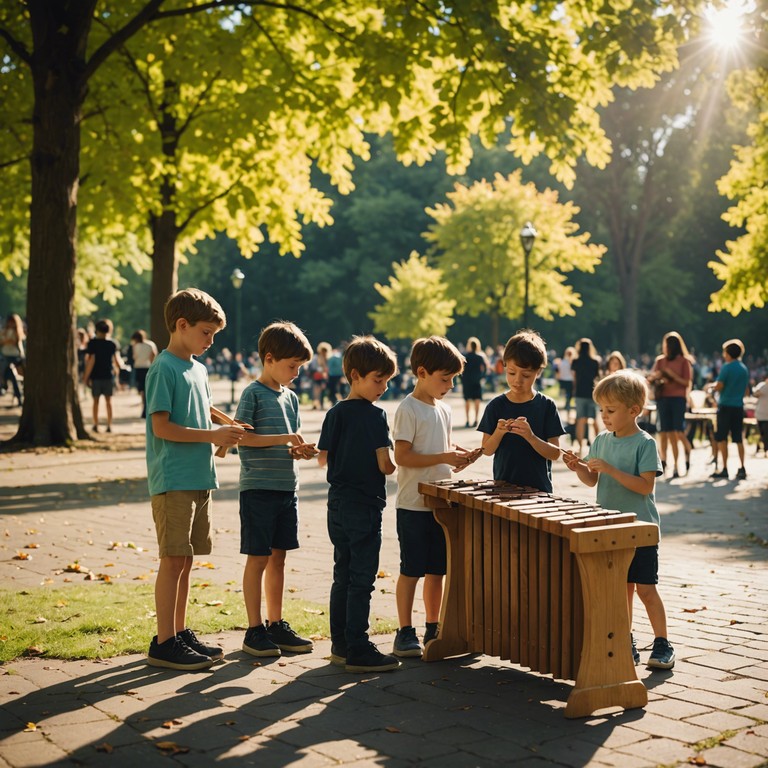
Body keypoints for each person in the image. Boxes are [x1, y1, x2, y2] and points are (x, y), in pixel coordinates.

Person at [145, 288, 247, 670]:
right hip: (172, 478)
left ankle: (179, 631)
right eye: (206, 332)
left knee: (186, 560)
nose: (211, 341)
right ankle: (164, 641)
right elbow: (163, 426)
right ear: (181, 325)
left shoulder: (198, 368)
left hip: (199, 475)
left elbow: (201, 405)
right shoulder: (163, 367)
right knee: (172, 560)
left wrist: (227, 423)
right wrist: (213, 436)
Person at [562, 370, 675, 670]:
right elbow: (590, 480)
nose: (604, 417)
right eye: (601, 410)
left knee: (645, 588)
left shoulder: (645, 443)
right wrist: (577, 467)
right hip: (611, 527)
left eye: (610, 411)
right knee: (621, 589)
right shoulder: (600, 440)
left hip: (641, 530)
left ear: (633, 410)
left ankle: (663, 643)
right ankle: (626, 639)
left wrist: (611, 470)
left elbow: (645, 486)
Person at [317, 336, 400, 673]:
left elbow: (323, 458)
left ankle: (340, 642)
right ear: (354, 375)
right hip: (365, 504)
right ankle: (358, 646)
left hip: (336, 503)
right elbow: (385, 465)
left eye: (387, 381)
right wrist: (397, 459)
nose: (382, 387)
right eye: (377, 380)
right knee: (362, 578)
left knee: (343, 572)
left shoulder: (334, 413)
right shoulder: (376, 417)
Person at [236, 321, 317, 658]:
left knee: (279, 559)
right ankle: (253, 629)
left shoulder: (292, 398)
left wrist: (299, 450)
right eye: (292, 366)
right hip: (258, 489)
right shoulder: (252, 394)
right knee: (258, 559)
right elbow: (243, 439)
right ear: (269, 359)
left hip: (287, 488)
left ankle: (275, 623)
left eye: (299, 367)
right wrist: (284, 439)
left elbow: (288, 443)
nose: (296, 373)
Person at [392, 336, 476, 658]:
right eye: (445, 379)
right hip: (413, 504)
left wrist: (460, 455)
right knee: (411, 569)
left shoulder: (445, 410)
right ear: (422, 372)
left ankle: (432, 625)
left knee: (437, 570)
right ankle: (404, 630)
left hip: (442, 504)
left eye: (453, 379)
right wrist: (443, 455)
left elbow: (446, 448)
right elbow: (403, 456)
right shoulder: (408, 408)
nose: (450, 385)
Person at [478, 330, 565, 493]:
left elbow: (555, 453)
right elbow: (486, 450)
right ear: (504, 367)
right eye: (511, 373)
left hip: (539, 491)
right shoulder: (496, 406)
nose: (517, 380)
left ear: (538, 372)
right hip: (503, 489)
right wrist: (499, 432)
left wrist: (530, 437)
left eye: (526, 375)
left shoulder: (547, 406)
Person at [647, 332, 694, 478]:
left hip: (678, 399)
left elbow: (687, 382)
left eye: (667, 345)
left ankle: (676, 465)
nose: (665, 348)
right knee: (663, 432)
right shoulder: (660, 361)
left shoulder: (683, 361)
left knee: (675, 432)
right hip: (663, 398)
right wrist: (658, 377)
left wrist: (672, 376)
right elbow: (650, 377)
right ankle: (663, 462)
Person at [708, 339, 750, 480]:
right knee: (738, 438)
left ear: (729, 353)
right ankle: (742, 467)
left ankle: (724, 468)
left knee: (722, 438)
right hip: (738, 406)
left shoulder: (727, 367)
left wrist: (712, 387)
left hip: (725, 405)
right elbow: (746, 390)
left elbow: (720, 385)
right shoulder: (744, 369)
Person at [82, 319, 124, 433]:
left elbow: (91, 361)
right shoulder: (112, 344)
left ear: (97, 330)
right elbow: (116, 362)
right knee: (108, 401)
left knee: (95, 402)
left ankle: (96, 424)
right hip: (108, 376)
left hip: (96, 376)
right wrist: (118, 377)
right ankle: (109, 425)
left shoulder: (93, 343)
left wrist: (85, 377)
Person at [570, 338, 601, 455]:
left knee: (580, 420)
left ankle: (580, 447)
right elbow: (597, 378)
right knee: (594, 420)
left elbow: (574, 378)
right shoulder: (595, 361)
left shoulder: (575, 361)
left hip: (579, 393)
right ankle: (598, 444)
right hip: (592, 393)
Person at [130, 329, 157, 419]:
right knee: (148, 389)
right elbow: (154, 354)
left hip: (139, 368)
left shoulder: (135, 346)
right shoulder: (150, 344)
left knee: (142, 390)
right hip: (148, 368)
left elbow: (134, 357)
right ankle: (147, 408)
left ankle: (144, 408)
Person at [461, 336, 487, 428]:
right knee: (477, 400)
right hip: (477, 381)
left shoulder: (465, 356)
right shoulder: (480, 356)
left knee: (467, 400)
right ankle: (476, 419)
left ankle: (468, 420)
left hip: (467, 381)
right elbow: (485, 368)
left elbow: (461, 369)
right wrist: (482, 377)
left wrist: (462, 379)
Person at [1, 313, 25, 406]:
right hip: (5, 356)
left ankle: (5, 386)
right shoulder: (4, 331)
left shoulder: (17, 332)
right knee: (8, 371)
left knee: (12, 372)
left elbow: (19, 346)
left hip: (14, 357)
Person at [309, 341, 331, 409]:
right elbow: (313, 367)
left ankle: (321, 404)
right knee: (316, 391)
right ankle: (315, 404)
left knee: (322, 391)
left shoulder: (328, 358)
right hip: (317, 376)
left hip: (324, 377)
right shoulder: (316, 357)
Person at [555, 346, 575, 416]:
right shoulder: (571, 363)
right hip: (570, 381)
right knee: (569, 397)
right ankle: (568, 409)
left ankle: (567, 408)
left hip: (563, 380)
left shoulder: (561, 362)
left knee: (566, 396)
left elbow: (558, 372)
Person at [753, 372, 768, 456]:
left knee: (766, 433)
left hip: (767, 415)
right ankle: (760, 448)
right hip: (760, 414)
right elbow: (755, 394)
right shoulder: (762, 385)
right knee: (761, 433)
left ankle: (766, 450)